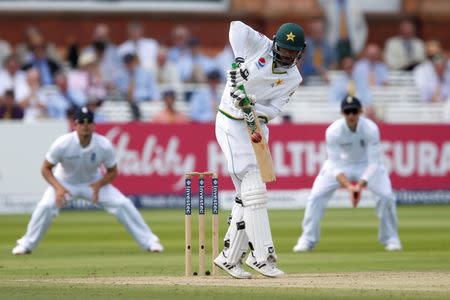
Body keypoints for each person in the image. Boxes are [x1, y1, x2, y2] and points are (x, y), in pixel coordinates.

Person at [213, 21, 306, 279]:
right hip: (230, 124)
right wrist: (240, 61)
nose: (287, 55)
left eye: (292, 52)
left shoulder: (294, 78)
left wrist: (252, 106)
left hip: (255, 127)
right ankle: (262, 257)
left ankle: (229, 259)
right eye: (284, 49)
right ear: (275, 42)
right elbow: (235, 26)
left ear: (300, 52)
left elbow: (274, 109)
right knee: (253, 185)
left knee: (248, 194)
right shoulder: (260, 45)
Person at [12, 107, 164, 255]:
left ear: (94, 125)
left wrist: (99, 185)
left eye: (88, 122)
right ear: (75, 125)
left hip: (93, 183)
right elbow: (45, 168)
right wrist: (58, 188)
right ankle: (26, 245)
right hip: (64, 182)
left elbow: (113, 171)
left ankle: (150, 242)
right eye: (81, 122)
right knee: (45, 206)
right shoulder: (63, 143)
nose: (85, 125)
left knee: (123, 204)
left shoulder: (103, 145)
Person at [293, 96, 402, 253]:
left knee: (386, 196)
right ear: (342, 113)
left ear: (361, 112)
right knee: (316, 196)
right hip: (340, 165)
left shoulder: (371, 129)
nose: (351, 115)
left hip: (366, 165)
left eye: (354, 111)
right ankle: (307, 239)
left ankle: (391, 238)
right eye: (347, 111)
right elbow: (334, 165)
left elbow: (374, 163)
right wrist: (350, 187)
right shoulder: (333, 131)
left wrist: (359, 185)